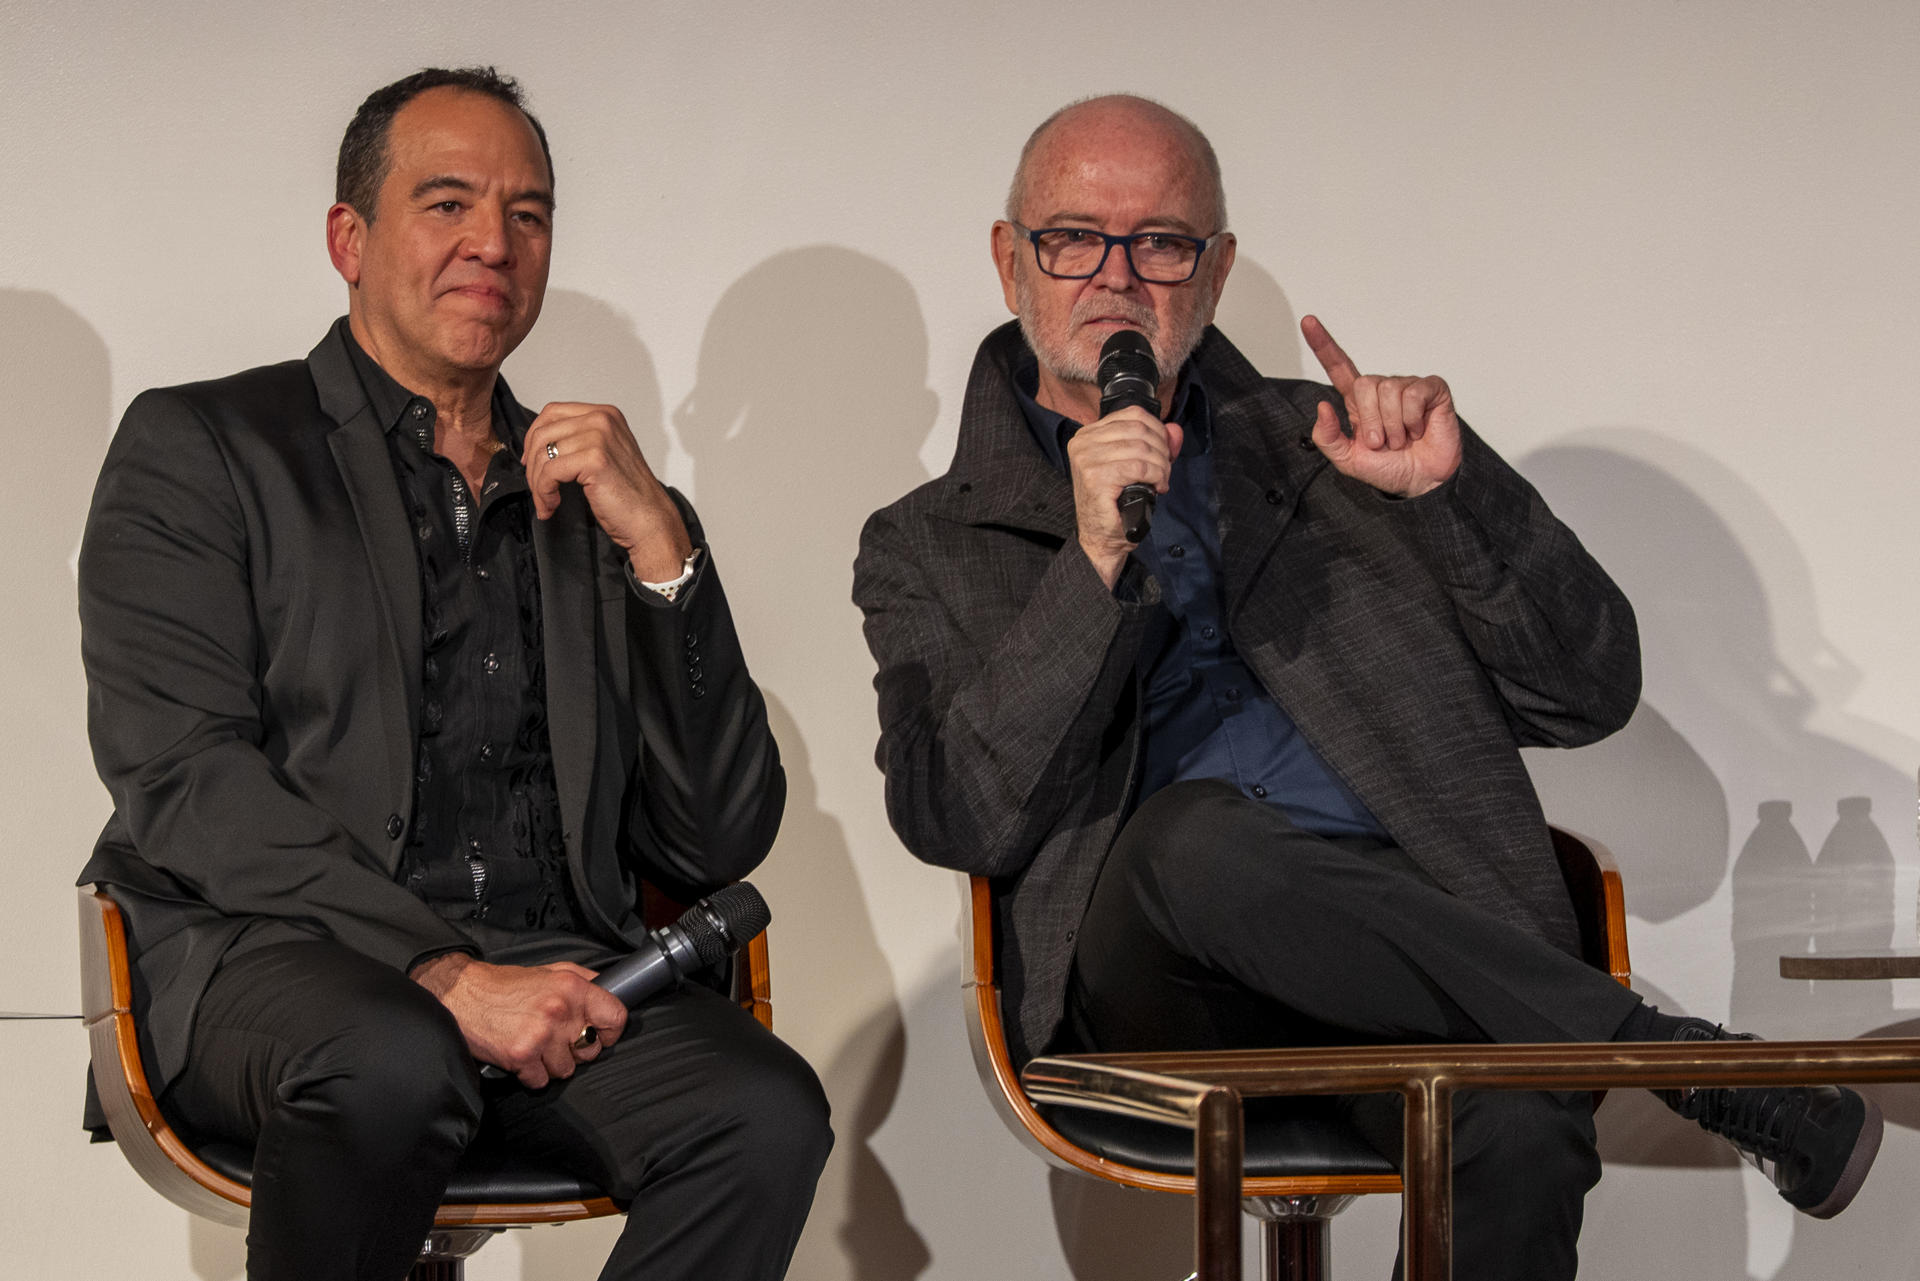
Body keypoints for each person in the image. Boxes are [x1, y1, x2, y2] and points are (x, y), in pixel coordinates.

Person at [852, 93, 1879, 1279]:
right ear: (1010, 261)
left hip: (1413, 946)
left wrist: (1452, 500)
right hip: (1158, 982)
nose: (1118, 279)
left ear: (1217, 270)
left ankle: (1603, 1050)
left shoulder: (1338, 445)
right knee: (1195, 837)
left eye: (1163, 244)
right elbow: (952, 815)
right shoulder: (926, 540)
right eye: (1074, 238)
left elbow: (1586, 691)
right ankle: (1676, 1056)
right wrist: (1090, 563)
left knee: (1519, 1105)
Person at [78, 67, 829, 1281]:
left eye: (527, 214)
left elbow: (715, 838)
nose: (494, 241)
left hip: (551, 971)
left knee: (763, 1111)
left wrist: (665, 556)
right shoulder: (205, 448)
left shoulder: (604, 501)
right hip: (269, 962)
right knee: (391, 1051)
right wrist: (439, 971)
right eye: (447, 204)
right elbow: (183, 778)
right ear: (350, 237)